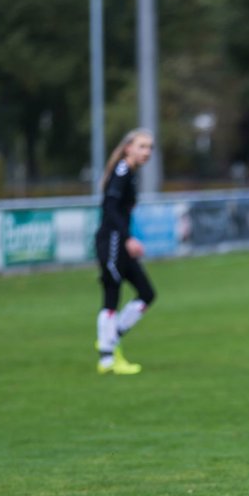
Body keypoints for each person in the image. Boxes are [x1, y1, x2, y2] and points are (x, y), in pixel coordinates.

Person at [95, 128, 157, 375]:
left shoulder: (129, 174)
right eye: (142, 146)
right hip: (111, 241)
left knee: (147, 293)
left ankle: (111, 337)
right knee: (111, 295)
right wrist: (127, 237)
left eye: (150, 147)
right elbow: (109, 206)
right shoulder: (122, 171)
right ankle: (107, 359)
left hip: (120, 242)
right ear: (128, 147)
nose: (147, 152)